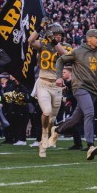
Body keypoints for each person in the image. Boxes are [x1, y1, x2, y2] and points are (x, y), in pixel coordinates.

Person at [50, 29, 97, 160]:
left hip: (94, 89)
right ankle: (90, 146)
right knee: (90, 113)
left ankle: (57, 130)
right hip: (80, 87)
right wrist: (58, 77)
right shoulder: (77, 51)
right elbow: (60, 61)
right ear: (89, 38)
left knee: (76, 118)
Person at [28, 21, 70, 157]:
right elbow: (30, 40)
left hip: (56, 86)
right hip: (43, 82)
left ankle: (44, 139)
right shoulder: (43, 44)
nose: (58, 37)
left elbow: (64, 54)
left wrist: (53, 40)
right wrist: (40, 27)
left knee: (52, 119)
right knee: (46, 112)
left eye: (59, 35)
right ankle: (44, 136)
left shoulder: (64, 46)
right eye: (55, 34)